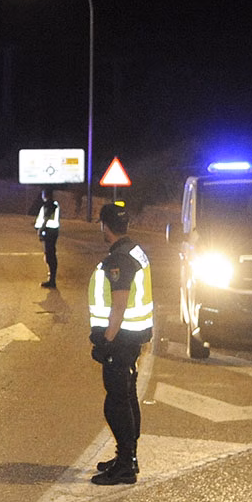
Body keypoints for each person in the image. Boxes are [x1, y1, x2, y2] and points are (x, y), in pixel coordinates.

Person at [88, 203, 154, 486]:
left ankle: (126, 465)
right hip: (132, 337)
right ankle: (127, 457)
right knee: (126, 398)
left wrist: (106, 340)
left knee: (116, 403)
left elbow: (119, 304)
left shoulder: (120, 259)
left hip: (122, 338)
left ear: (105, 226)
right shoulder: (135, 250)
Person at [34, 188, 60, 288]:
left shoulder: (49, 204)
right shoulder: (54, 204)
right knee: (50, 254)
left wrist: (41, 229)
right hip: (52, 231)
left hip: (49, 232)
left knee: (49, 256)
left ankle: (52, 280)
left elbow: (46, 218)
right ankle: (51, 279)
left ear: (45, 194)